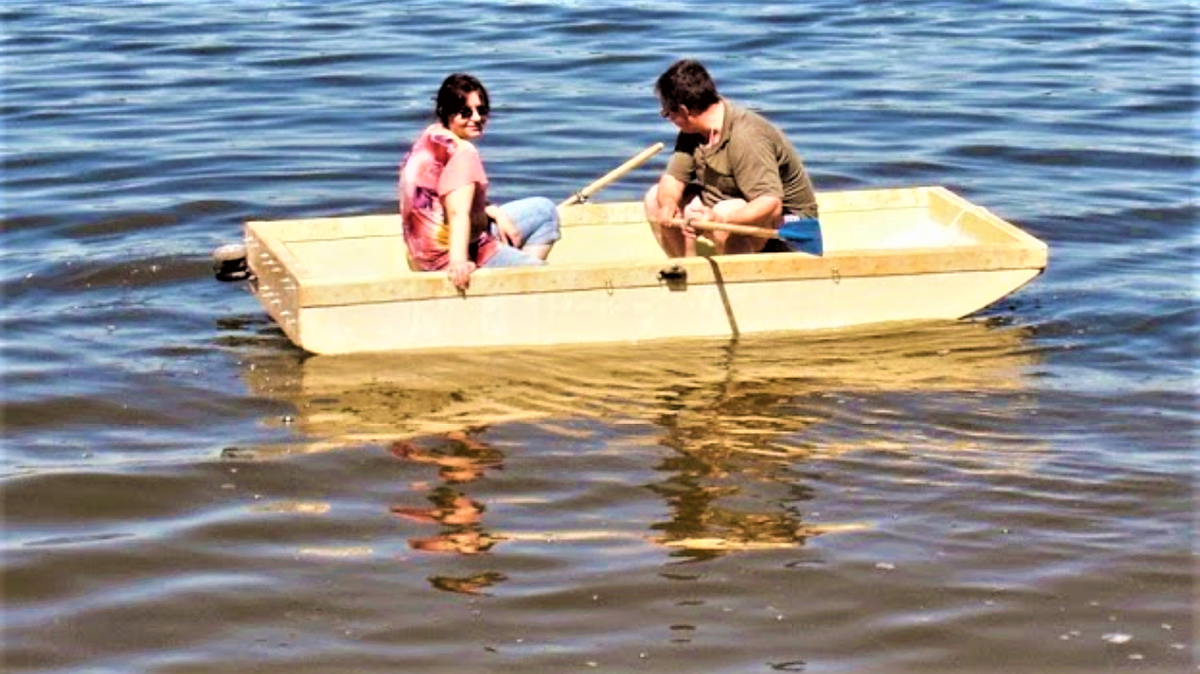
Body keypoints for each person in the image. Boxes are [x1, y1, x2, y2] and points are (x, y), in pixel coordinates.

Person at [399, 73, 560, 290]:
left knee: (545, 211)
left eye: (481, 110)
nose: (476, 118)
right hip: (445, 256)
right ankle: (518, 287)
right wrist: (458, 263)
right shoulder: (464, 152)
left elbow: (444, 197)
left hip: (421, 251)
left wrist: (493, 211)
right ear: (445, 112)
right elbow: (457, 214)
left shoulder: (431, 138)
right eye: (465, 112)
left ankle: (510, 266)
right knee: (544, 277)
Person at [644, 59, 819, 257]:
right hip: (724, 207)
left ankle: (735, 278)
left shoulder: (746, 136)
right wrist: (669, 205)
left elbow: (770, 204)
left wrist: (721, 220)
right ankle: (685, 270)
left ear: (684, 111)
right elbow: (673, 179)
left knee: (728, 209)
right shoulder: (693, 132)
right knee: (655, 197)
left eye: (668, 113)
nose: (670, 120)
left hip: (786, 229)